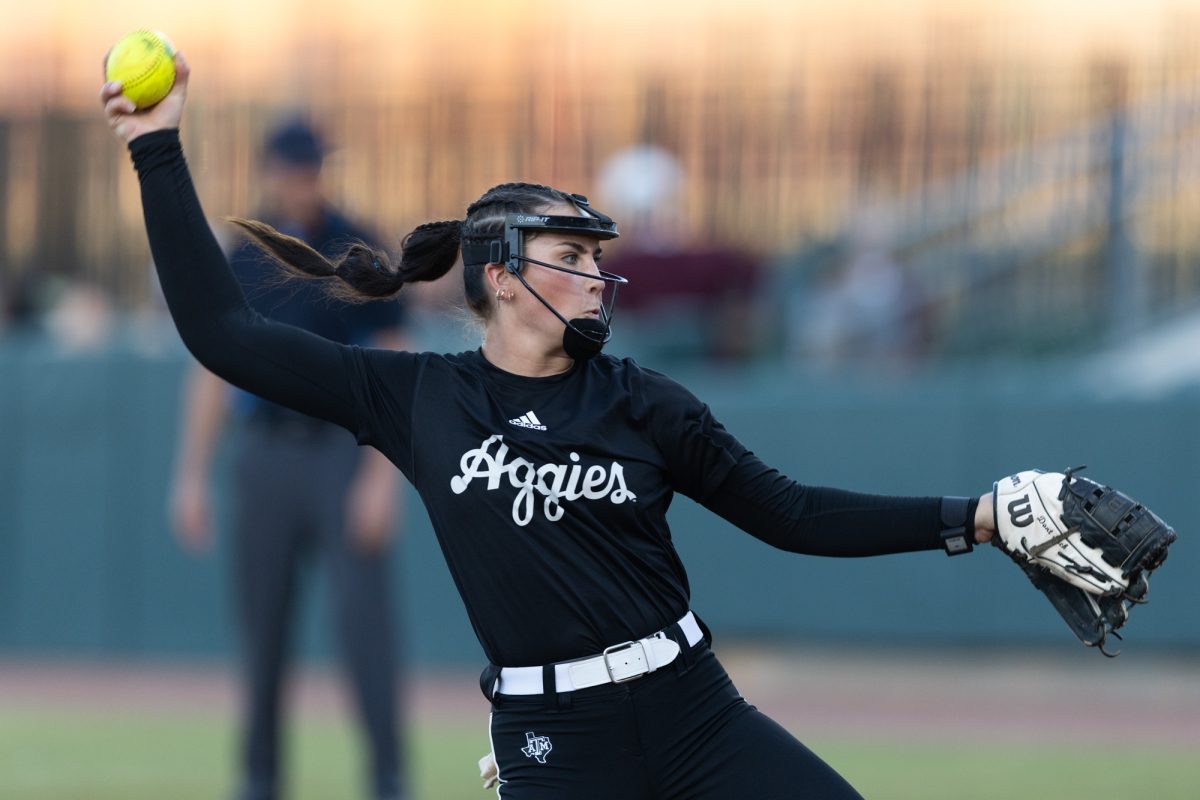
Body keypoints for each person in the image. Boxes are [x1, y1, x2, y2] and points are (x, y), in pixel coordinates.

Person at [102, 56, 998, 799]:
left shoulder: (642, 400)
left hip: (697, 715)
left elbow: (795, 516)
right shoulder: (421, 399)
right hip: (554, 746)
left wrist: (979, 517)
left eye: (596, 258)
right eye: (570, 257)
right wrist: (156, 147)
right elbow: (225, 334)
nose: (595, 275)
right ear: (500, 277)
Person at [166, 117, 408, 800]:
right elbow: (210, 370)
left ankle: (389, 777)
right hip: (264, 453)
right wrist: (190, 476)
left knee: (366, 628)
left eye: (311, 168)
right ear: (272, 170)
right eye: (292, 168)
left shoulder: (356, 244)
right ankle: (259, 780)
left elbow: (390, 364)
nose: (302, 181)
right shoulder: (243, 255)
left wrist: (383, 480)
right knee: (263, 630)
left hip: (340, 452)